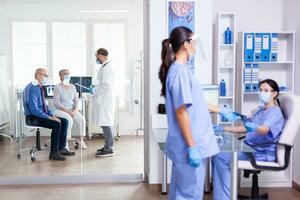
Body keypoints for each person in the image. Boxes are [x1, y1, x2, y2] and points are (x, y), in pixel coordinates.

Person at [158, 26, 222, 200]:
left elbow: (196, 103)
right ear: (186, 45)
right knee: (188, 195)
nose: (196, 46)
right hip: (190, 146)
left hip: (189, 144)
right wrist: (192, 147)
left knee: (182, 194)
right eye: (194, 41)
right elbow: (181, 112)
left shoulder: (181, 71)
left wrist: (221, 110)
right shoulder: (179, 72)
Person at [212, 79, 285, 200]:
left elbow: (265, 130)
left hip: (260, 153)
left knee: (220, 156)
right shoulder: (261, 110)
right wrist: (223, 128)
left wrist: (255, 126)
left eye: (266, 90)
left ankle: (224, 197)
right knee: (216, 152)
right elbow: (245, 128)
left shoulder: (275, 113)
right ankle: (224, 194)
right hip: (249, 148)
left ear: (274, 93)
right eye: (260, 90)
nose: (262, 93)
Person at [23, 68, 75, 161]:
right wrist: (49, 118)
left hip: (39, 115)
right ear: (38, 75)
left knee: (64, 121)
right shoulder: (32, 88)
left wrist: (52, 115)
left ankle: (61, 148)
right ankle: (53, 153)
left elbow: (44, 106)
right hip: (32, 118)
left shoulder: (38, 87)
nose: (47, 78)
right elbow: (34, 110)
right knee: (57, 124)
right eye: (45, 75)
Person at [89, 48, 115, 157]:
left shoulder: (107, 68)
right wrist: (95, 87)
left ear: (100, 55)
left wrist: (94, 91)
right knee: (104, 124)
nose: (96, 59)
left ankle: (109, 148)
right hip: (103, 100)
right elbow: (102, 83)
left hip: (105, 100)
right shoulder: (104, 67)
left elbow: (106, 86)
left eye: (96, 56)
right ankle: (107, 146)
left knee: (106, 124)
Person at [53, 69, 87, 150]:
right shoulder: (57, 87)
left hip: (71, 109)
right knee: (69, 120)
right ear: (61, 76)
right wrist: (67, 111)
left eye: (68, 74)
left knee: (82, 119)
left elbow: (76, 100)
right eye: (65, 74)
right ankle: (65, 144)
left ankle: (81, 140)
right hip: (60, 110)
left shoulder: (73, 86)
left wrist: (75, 110)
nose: (67, 75)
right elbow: (57, 103)